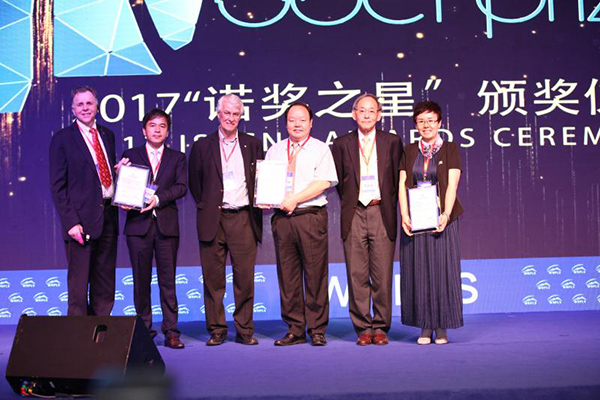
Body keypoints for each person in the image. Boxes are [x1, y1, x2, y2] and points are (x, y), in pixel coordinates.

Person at [188, 94, 263, 346]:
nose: (230, 118)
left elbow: (260, 180)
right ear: (218, 114)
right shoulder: (202, 146)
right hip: (214, 219)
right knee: (213, 280)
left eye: (235, 114)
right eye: (226, 113)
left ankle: (245, 330)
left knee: (245, 279)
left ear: (241, 116)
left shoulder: (253, 144)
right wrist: (210, 206)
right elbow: (195, 184)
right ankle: (217, 330)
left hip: (243, 218)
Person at [332, 94, 403, 346]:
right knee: (357, 274)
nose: (366, 115)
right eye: (361, 110)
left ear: (379, 115)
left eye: (371, 111)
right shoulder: (341, 143)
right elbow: (340, 182)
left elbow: (397, 180)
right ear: (353, 114)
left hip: (381, 211)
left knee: (382, 273)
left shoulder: (392, 142)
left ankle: (381, 326)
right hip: (354, 212)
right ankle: (363, 327)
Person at [265, 102, 338, 346]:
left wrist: (295, 199)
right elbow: (268, 183)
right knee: (288, 276)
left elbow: (323, 182)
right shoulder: (275, 150)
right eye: (292, 120)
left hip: (310, 216)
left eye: (302, 120)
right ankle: (295, 329)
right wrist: (265, 198)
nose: (297, 124)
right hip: (283, 219)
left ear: (311, 123)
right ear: (286, 123)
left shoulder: (320, 149)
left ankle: (317, 329)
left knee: (315, 274)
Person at [49, 86, 121, 316]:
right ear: (72, 110)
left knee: (105, 281)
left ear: (97, 107)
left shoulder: (107, 135)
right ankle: (78, 333)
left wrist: (120, 173)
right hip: (80, 222)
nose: (85, 108)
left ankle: (101, 330)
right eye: (80, 104)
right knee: (79, 286)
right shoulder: (62, 139)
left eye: (89, 103)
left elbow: (102, 175)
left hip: (108, 216)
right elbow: (58, 186)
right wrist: (71, 222)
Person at [398, 100, 464, 345]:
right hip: (416, 219)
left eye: (431, 120)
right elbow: (402, 184)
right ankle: (425, 326)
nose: (426, 125)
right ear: (416, 125)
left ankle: (442, 326)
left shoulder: (450, 149)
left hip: (442, 219)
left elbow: (452, 185)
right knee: (419, 272)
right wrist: (404, 215)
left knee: (443, 271)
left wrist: (445, 214)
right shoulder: (408, 150)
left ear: (439, 123)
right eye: (421, 121)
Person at [122, 109, 187, 349]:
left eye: (162, 126)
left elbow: (182, 187)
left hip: (166, 227)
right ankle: (144, 331)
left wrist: (158, 199)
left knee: (168, 282)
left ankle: (171, 331)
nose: (157, 130)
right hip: (138, 227)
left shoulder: (177, 157)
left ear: (168, 132)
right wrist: (121, 181)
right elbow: (123, 186)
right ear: (143, 130)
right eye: (152, 125)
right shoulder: (130, 155)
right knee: (141, 282)